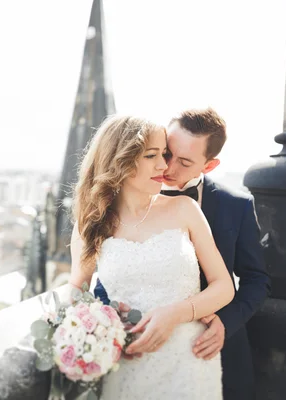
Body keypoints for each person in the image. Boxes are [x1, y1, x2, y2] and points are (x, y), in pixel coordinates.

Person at [95, 107, 271, 400]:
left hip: (209, 350)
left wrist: (224, 324)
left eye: (184, 161)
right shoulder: (124, 201)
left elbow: (256, 280)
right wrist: (112, 327)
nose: (167, 167)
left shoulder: (236, 206)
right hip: (136, 352)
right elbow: (110, 274)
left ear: (209, 165)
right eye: (165, 153)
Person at [69, 114, 235, 399]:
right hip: (127, 363)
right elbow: (77, 290)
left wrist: (173, 314)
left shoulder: (185, 209)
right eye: (152, 156)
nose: (163, 165)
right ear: (120, 160)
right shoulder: (91, 224)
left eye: (164, 154)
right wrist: (105, 332)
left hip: (189, 361)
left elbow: (223, 286)